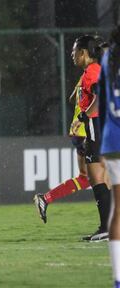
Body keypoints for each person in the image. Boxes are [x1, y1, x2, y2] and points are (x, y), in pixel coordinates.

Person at [70, 35, 111, 242]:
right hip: (104, 125)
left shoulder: (91, 72)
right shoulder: (97, 70)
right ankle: (109, 226)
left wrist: (83, 116)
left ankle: (106, 227)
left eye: (75, 51)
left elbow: (100, 96)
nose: (72, 55)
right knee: (105, 178)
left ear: (84, 53)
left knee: (96, 177)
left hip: (96, 124)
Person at [33, 82, 90, 223]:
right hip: (88, 132)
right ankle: (108, 226)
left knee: (85, 178)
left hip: (78, 133)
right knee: (109, 178)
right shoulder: (97, 72)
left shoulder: (85, 76)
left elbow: (72, 98)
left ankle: (45, 199)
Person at [98, 26, 120, 288]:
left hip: (112, 141)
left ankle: (117, 279)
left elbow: (103, 105)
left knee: (118, 211)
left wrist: (102, 147)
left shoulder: (108, 58)